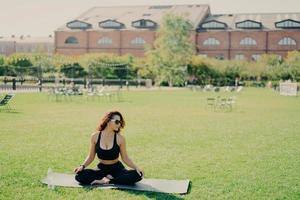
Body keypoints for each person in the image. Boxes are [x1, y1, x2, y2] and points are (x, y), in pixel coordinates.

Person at [74, 111, 144, 185]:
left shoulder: (120, 138)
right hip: (101, 168)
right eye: (117, 121)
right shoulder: (95, 136)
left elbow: (125, 158)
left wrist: (136, 167)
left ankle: (108, 181)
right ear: (108, 121)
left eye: (120, 122)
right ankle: (108, 179)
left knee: (137, 175)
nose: (119, 124)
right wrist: (82, 166)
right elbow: (91, 156)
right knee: (79, 175)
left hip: (117, 169)